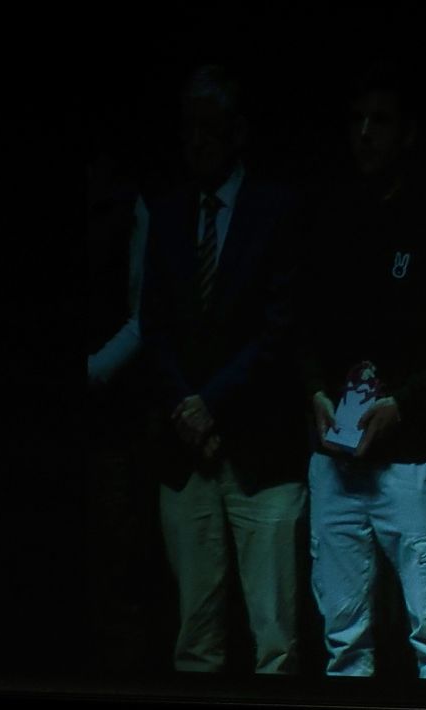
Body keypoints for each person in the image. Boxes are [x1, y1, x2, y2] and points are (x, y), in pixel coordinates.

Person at [139, 64, 307, 674]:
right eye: (189, 128)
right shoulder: (167, 212)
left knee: (276, 642)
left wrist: (211, 402)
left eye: (210, 128)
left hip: (261, 452)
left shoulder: (277, 208)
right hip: (188, 458)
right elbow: (153, 327)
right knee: (195, 640)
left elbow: (279, 331)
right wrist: (188, 408)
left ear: (237, 132)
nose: (198, 141)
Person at [303, 73, 426, 679]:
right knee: (344, 641)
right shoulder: (326, 216)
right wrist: (315, 390)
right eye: (357, 121)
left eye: (381, 121)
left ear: (407, 133)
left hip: (410, 464)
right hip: (336, 461)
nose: (367, 134)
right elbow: (300, 331)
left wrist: (403, 403)